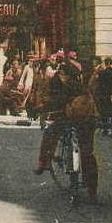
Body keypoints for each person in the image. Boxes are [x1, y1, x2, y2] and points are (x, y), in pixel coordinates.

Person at [34, 52, 98, 203]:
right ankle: (92, 191)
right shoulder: (82, 84)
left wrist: (43, 107)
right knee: (88, 154)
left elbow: (52, 100)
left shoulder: (59, 82)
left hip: (70, 119)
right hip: (86, 120)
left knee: (50, 133)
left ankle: (44, 162)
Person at [94, 57, 112, 136]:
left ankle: (105, 130)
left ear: (105, 63)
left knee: (104, 114)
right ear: (111, 63)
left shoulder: (101, 73)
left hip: (104, 95)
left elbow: (99, 85)